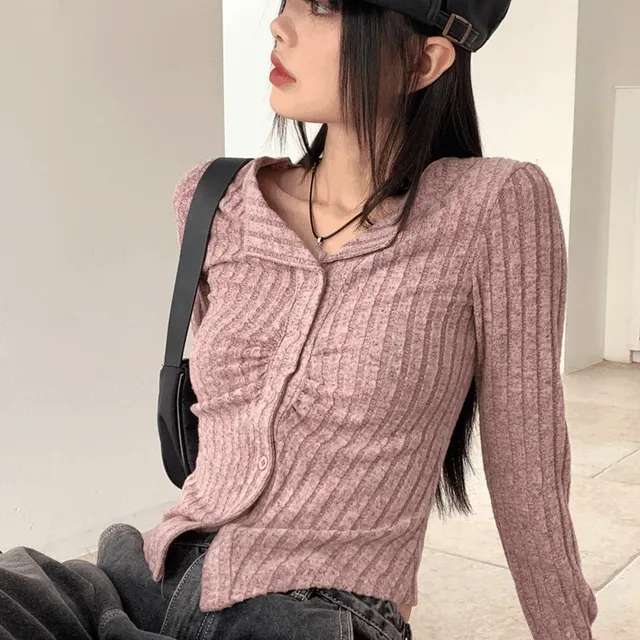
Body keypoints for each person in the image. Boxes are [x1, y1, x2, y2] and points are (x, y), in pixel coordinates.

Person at [0, 1, 599, 639]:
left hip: (319, 612)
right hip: (146, 578)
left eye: (323, 6)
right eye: (286, 1)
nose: (279, 25)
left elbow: (527, 474)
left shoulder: (494, 206)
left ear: (424, 61)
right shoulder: (215, 200)